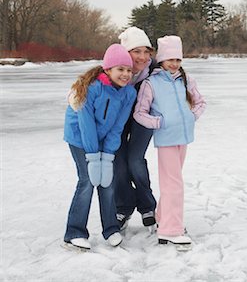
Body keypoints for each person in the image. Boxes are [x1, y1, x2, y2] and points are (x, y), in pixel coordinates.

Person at [63, 44, 137, 250]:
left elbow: (117, 127)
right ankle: (74, 233)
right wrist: (94, 156)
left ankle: (111, 228)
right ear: (108, 69)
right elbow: (86, 124)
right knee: (87, 179)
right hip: (79, 136)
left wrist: (108, 154)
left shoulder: (128, 94)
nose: (125, 74)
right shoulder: (92, 88)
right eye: (120, 69)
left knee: (107, 181)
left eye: (129, 70)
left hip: (104, 137)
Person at [134, 35, 206, 246]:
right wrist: (159, 122)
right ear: (162, 59)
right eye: (170, 59)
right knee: (173, 184)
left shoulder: (186, 80)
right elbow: (139, 113)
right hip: (166, 139)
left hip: (183, 138)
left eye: (178, 60)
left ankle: (162, 218)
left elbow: (200, 102)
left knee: (171, 182)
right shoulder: (151, 83)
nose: (174, 64)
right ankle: (170, 230)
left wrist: (192, 115)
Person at [113, 26, 158, 231]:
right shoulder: (115, 68)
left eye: (145, 51)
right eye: (136, 51)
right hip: (118, 122)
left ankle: (148, 207)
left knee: (135, 161)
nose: (142, 57)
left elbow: (178, 82)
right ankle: (124, 206)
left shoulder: (155, 69)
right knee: (119, 165)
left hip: (143, 118)